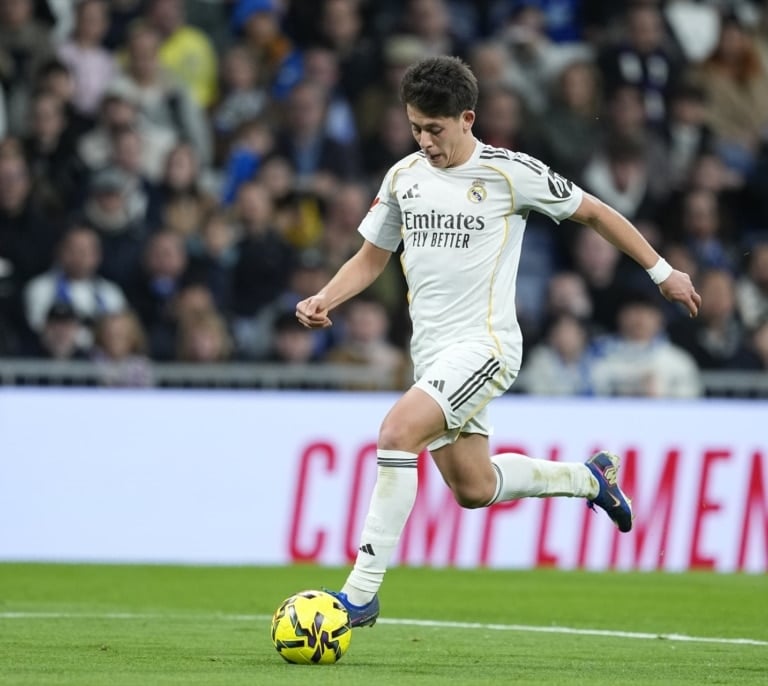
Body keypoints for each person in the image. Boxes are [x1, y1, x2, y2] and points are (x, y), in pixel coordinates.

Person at [295, 55, 701, 628]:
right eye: (415, 128)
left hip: (486, 347)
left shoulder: (510, 172)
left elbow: (595, 213)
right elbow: (370, 258)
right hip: (432, 355)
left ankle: (360, 594)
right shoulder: (403, 177)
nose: (424, 141)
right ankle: (590, 479)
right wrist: (325, 297)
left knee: (396, 433)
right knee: (473, 486)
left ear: (467, 118)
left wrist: (662, 272)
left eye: (434, 129)